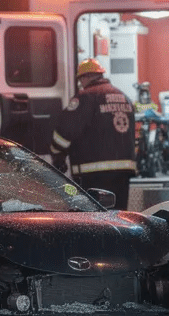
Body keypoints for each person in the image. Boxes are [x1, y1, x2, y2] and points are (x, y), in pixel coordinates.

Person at [51, 59, 137, 208]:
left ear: (85, 78)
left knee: (96, 217)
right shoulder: (124, 97)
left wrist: (57, 156)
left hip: (94, 173)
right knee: (119, 214)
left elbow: (65, 131)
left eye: (80, 80)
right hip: (123, 171)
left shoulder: (85, 98)